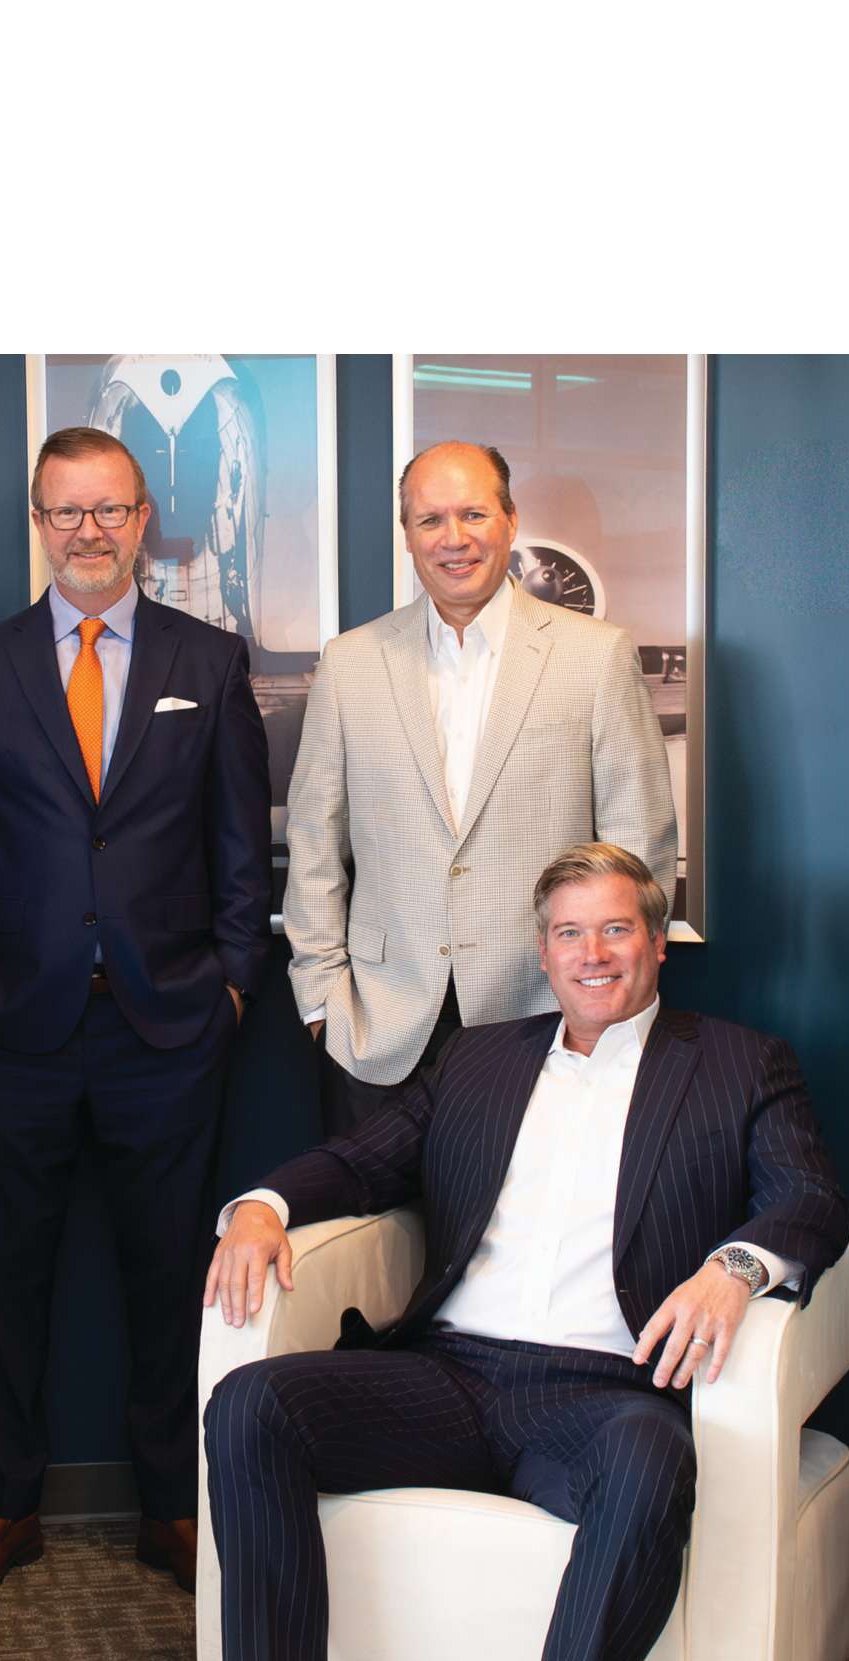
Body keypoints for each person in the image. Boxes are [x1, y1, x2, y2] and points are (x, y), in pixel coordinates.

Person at [201, 843, 848, 1661]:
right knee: (251, 1405)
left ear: (656, 941)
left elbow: (810, 1201)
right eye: (568, 933)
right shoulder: (481, 1060)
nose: (592, 954)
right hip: (453, 1376)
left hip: (602, 1394)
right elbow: (362, 1161)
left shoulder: (741, 1063)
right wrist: (261, 1205)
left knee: (651, 1462)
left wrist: (734, 1268)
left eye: (615, 929)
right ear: (541, 952)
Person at [0, 425, 273, 1598]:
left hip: (164, 1030)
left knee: (169, 1277)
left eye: (109, 509)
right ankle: (7, 1503)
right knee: (3, 1278)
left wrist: (230, 980)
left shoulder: (208, 661)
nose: (89, 531)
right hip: (7, 1030)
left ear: (142, 521)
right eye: (66, 511)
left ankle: (170, 1504)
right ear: (37, 522)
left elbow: (239, 844)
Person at [283, 441, 676, 1139]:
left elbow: (639, 843)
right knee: (371, 1215)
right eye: (430, 520)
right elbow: (314, 842)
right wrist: (320, 1003)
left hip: (549, 1016)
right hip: (377, 1029)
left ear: (510, 520)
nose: (453, 539)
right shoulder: (350, 663)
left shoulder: (596, 656)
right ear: (407, 535)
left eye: (473, 514)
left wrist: (607, 1000)